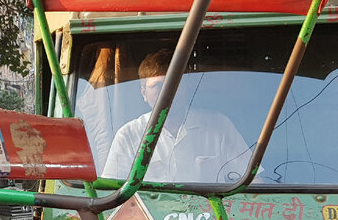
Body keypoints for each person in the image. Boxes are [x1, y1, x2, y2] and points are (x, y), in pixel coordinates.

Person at [102, 49, 250, 184]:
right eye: (156, 86)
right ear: (143, 93)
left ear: (185, 87)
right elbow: (111, 193)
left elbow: (251, 182)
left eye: (173, 84)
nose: (166, 92)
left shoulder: (218, 126)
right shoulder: (128, 135)